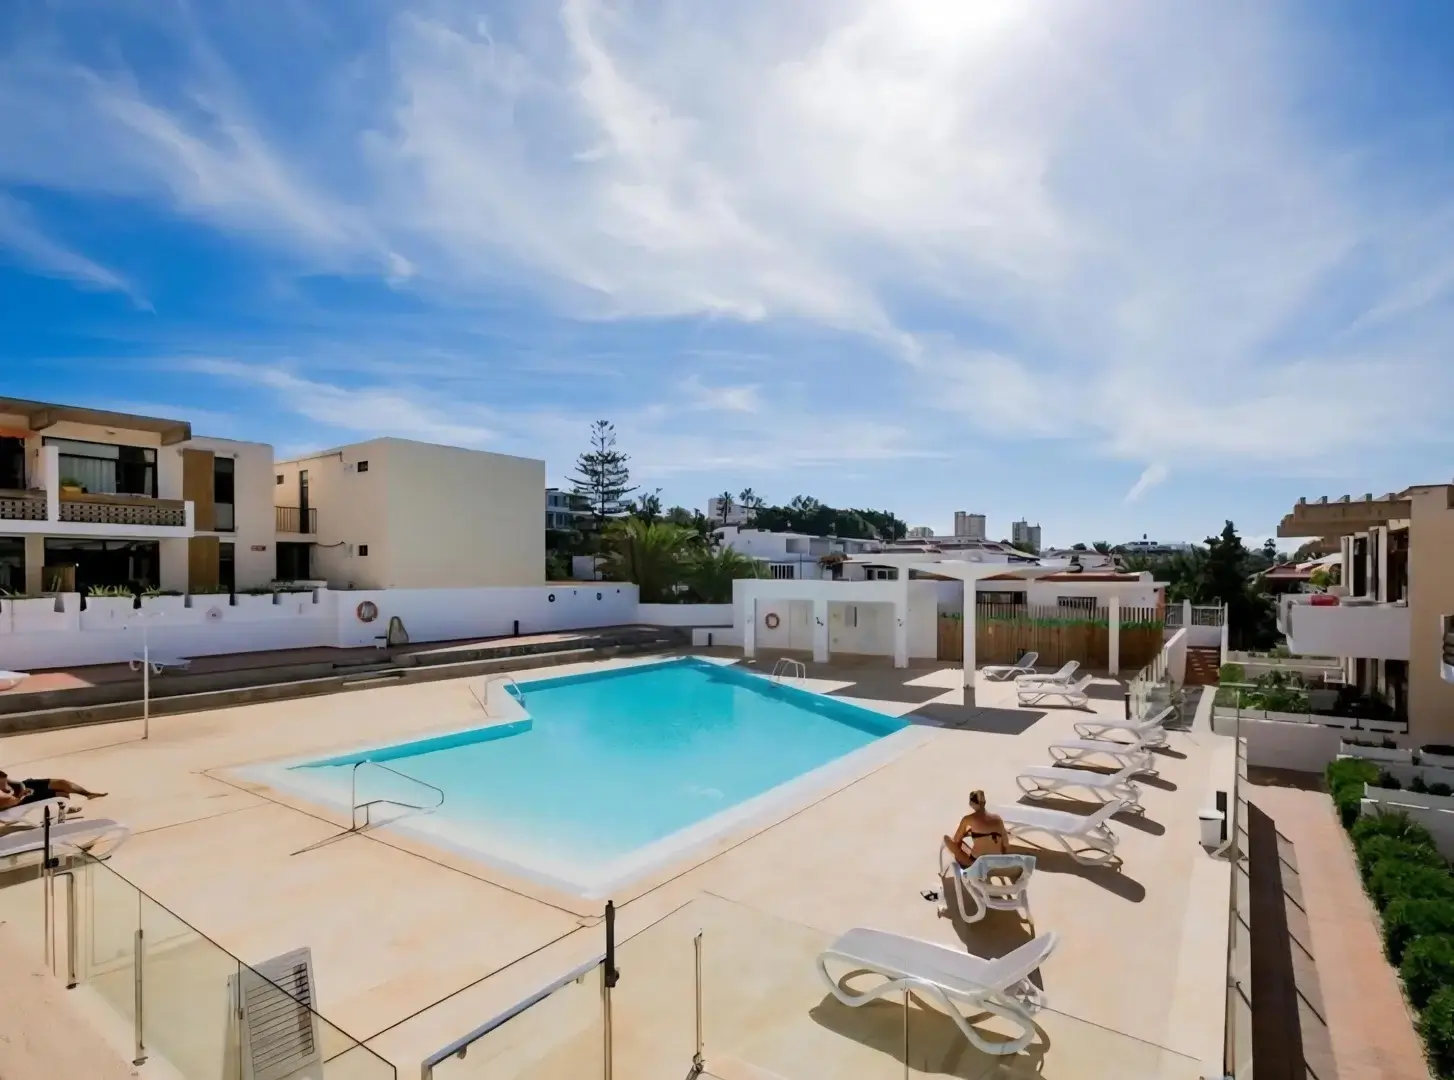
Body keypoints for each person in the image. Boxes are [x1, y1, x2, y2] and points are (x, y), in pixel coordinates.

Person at [922, 790, 1009, 903]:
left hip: (975, 865)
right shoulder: (998, 819)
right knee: (968, 846)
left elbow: (956, 839)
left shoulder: (968, 819)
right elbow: (1006, 844)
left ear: (971, 804)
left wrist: (966, 834)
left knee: (947, 839)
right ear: (985, 802)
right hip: (996, 863)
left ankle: (946, 872)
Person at [0, 769, 106, 812]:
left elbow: (15, 782)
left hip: (25, 787)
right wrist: (23, 794)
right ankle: (64, 811)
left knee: (62, 783)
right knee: (62, 794)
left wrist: (22, 787)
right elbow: (13, 801)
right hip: (23, 799)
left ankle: (88, 794)